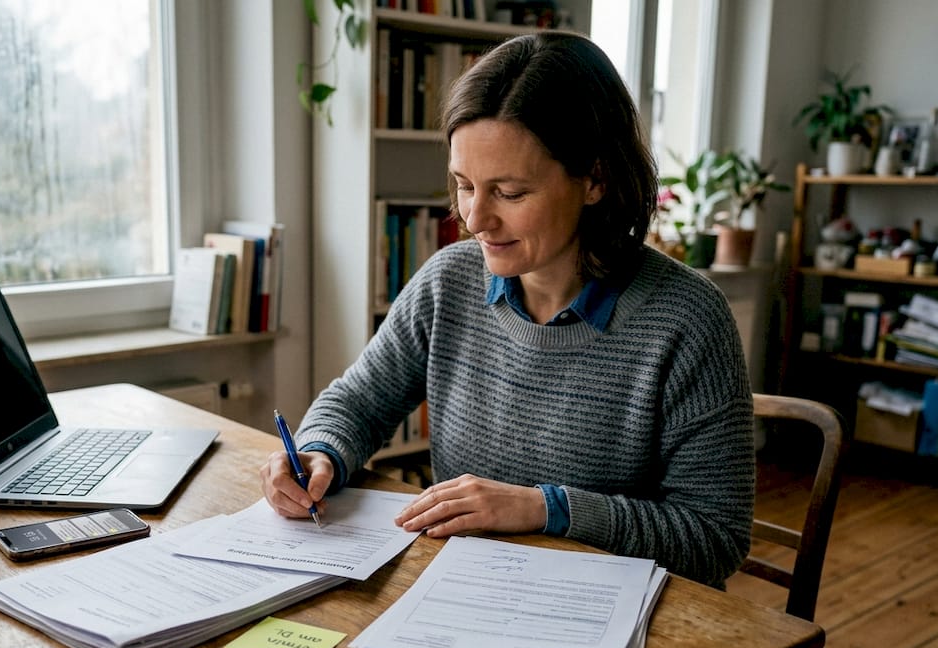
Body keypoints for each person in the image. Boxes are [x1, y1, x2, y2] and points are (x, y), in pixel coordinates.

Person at [259, 31, 754, 589]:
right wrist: (318, 453)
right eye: (464, 185)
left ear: (595, 179)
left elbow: (715, 538)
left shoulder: (688, 319)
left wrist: (546, 509)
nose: (475, 220)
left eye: (510, 193)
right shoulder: (450, 279)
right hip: (464, 591)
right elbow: (358, 402)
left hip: (611, 613)